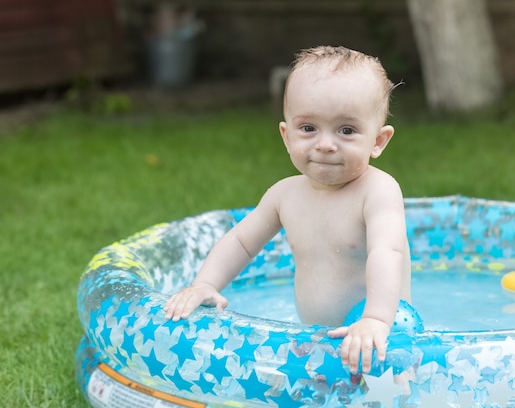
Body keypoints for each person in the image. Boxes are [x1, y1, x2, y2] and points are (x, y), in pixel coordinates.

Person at [164, 45, 412, 375]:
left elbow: (387, 252)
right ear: (286, 135)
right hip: (315, 339)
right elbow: (241, 241)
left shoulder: (377, 192)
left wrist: (376, 319)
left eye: (347, 130)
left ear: (378, 141)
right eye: (308, 128)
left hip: (381, 337)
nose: (325, 144)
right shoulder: (284, 195)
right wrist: (206, 284)